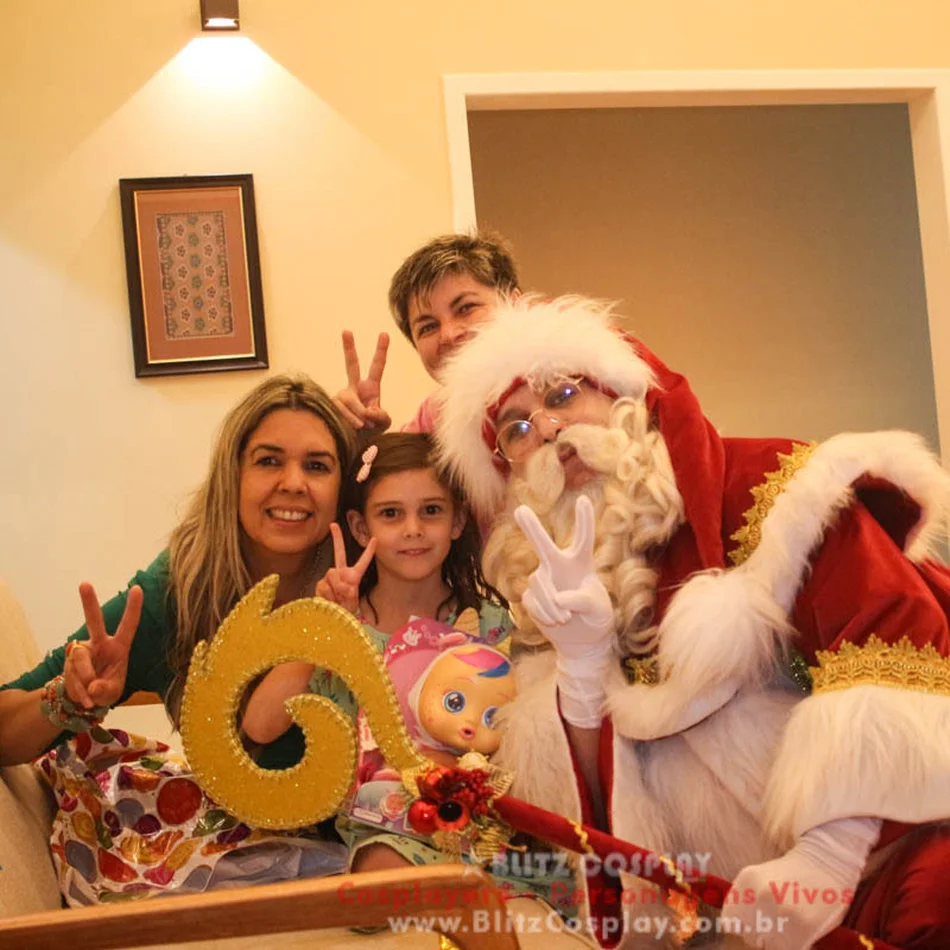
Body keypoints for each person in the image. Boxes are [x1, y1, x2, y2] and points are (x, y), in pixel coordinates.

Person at [434, 294, 950, 949]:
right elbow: (599, 822)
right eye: (516, 429)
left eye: (563, 394)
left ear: (626, 398)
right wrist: (584, 666)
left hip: (885, 843)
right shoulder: (546, 596)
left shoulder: (772, 487)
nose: (550, 429)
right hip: (730, 909)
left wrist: (829, 858)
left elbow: (893, 641)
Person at [0, 375, 358, 901]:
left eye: (317, 465)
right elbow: (5, 726)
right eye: (268, 460)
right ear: (231, 477)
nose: (293, 483)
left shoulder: (372, 574)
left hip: (388, 843)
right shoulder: (177, 592)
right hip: (252, 869)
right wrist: (70, 699)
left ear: (343, 486)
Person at [241, 432, 514, 871]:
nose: (413, 529)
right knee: (386, 871)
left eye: (431, 511)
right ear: (360, 527)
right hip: (378, 825)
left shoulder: (488, 623)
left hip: (479, 821)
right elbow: (260, 725)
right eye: (391, 514)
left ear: (458, 520)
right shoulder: (343, 626)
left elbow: (514, 735)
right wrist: (323, 628)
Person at [333, 231, 521, 436]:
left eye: (466, 308)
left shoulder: (558, 380)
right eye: (428, 327)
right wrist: (360, 439)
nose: (448, 335)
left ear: (515, 302)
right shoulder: (432, 420)